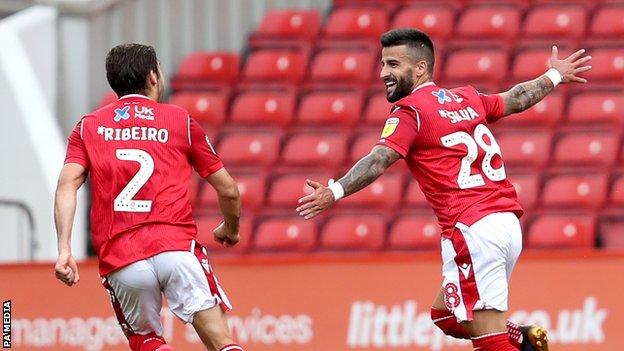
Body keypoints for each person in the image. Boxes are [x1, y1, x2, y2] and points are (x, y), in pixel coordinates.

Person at [296, 28, 592, 351]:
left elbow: (379, 159)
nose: (384, 73)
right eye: (383, 64)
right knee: (445, 314)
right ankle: (521, 338)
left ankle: (511, 342)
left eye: (394, 65)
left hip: (473, 229)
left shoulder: (409, 112)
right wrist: (554, 75)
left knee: (489, 343)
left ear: (420, 68)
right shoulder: (466, 97)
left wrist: (334, 191)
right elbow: (517, 98)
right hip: (505, 223)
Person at [54, 43, 244, 351]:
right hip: (176, 249)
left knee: (147, 341)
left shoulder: (88, 127)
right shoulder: (180, 121)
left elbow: (66, 186)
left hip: (123, 259)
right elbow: (229, 190)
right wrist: (231, 229)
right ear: (153, 77)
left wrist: (64, 249)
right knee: (222, 341)